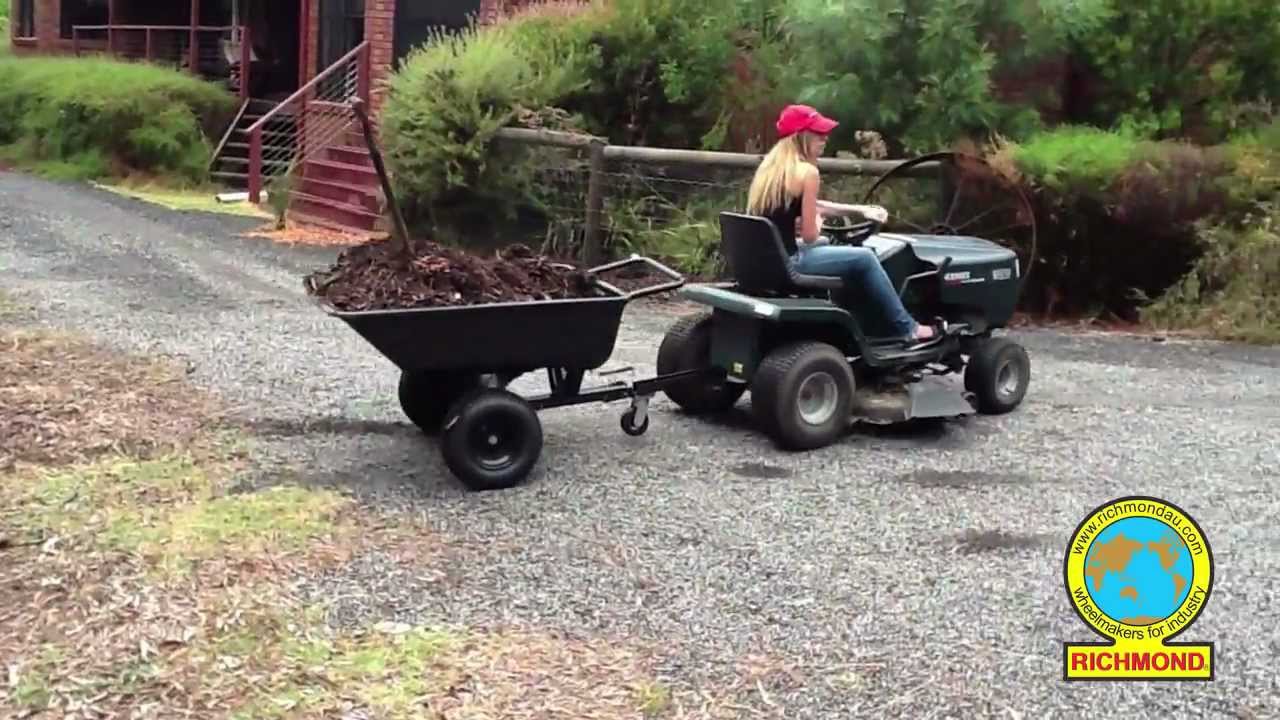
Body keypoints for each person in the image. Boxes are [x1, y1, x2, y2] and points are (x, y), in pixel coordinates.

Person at [746, 104, 937, 342]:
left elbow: (810, 204)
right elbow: (809, 236)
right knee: (865, 258)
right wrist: (817, 221)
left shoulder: (771, 169)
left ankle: (852, 315)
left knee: (828, 242)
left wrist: (859, 210)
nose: (825, 139)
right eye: (818, 134)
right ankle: (907, 328)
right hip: (789, 263)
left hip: (766, 261)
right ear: (802, 137)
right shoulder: (808, 173)